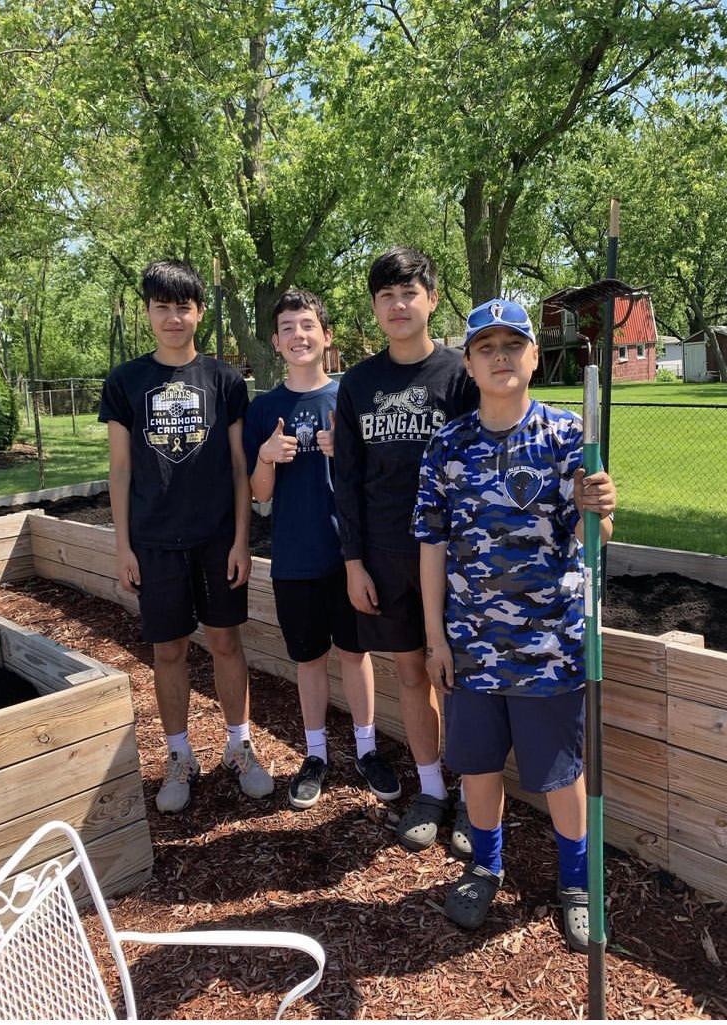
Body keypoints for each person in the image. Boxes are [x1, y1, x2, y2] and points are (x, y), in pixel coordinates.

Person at [412, 297, 617, 948]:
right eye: (486, 348)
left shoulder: (565, 436)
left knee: (560, 773)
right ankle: (485, 865)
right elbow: (431, 547)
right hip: (472, 646)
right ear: (469, 364)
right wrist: (435, 638)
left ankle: (577, 882)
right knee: (476, 767)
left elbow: (595, 535)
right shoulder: (447, 446)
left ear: (533, 357)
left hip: (549, 645)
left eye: (512, 345)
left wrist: (603, 508)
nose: (500, 357)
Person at [99, 259, 273, 814]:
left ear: (199, 312)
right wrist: (123, 546)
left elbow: (240, 467)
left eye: (184, 307)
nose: (173, 318)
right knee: (167, 649)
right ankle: (179, 756)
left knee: (225, 642)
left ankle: (238, 745)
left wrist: (242, 540)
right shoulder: (125, 382)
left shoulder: (224, 381)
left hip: (217, 537)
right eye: (162, 307)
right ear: (148, 312)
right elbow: (120, 471)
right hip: (154, 541)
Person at [333, 246, 479, 856]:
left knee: (460, 680)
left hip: (456, 558)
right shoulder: (358, 384)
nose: (398, 305)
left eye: (409, 293)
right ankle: (431, 790)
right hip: (386, 558)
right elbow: (346, 478)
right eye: (386, 296)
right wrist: (354, 563)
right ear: (375, 307)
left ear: (432, 300)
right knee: (412, 674)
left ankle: (474, 797)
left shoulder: (460, 377)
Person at [243, 289, 400, 809]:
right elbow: (259, 494)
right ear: (275, 341)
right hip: (294, 559)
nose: (298, 335)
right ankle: (315, 756)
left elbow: (374, 478)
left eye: (307, 325)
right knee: (309, 660)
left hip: (349, 558)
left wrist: (343, 453)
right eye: (287, 327)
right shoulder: (265, 409)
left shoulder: (348, 399)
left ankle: (367, 749)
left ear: (326, 336)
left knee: (355, 655)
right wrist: (266, 456)